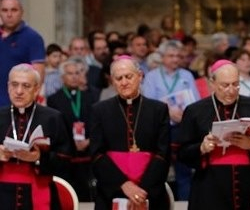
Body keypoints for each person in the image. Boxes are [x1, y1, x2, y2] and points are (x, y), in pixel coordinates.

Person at [177, 59, 250, 210]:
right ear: (212, 83)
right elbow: (181, 153)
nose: (231, 90)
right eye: (225, 85)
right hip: (209, 185)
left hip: (249, 183)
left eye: (235, 84)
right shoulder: (195, 111)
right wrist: (202, 148)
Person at [90, 56, 170, 210]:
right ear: (112, 81)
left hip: (149, 191)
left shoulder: (158, 110)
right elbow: (97, 154)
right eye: (119, 78)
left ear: (140, 76)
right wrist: (124, 184)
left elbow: (163, 153)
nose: (124, 82)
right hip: (111, 189)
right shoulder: (99, 110)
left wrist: (141, 191)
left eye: (128, 76)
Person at [0, 63, 72, 209]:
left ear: (36, 89)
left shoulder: (53, 118)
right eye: (14, 84)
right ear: (8, 87)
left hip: (39, 190)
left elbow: (67, 160)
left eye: (26, 86)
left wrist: (39, 158)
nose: (19, 91)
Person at [142, 39, 200, 201]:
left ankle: (185, 204)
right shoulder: (152, 76)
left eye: (178, 56)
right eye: (171, 56)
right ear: (162, 57)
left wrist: (184, 115)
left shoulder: (187, 75)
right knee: (158, 171)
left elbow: (196, 102)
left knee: (184, 171)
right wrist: (168, 112)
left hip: (182, 128)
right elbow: (148, 104)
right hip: (160, 129)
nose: (175, 59)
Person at [47, 58, 98, 201]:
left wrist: (89, 140)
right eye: (70, 74)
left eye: (77, 73)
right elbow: (55, 128)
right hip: (66, 155)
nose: (74, 77)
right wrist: (71, 142)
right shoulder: (54, 99)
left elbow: (96, 124)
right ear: (62, 77)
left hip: (87, 153)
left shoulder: (91, 97)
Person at [0, 0, 46, 106]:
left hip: (18, 105)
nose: (9, 14)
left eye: (14, 10)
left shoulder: (33, 38)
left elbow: (38, 77)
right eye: (4, 10)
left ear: (22, 12)